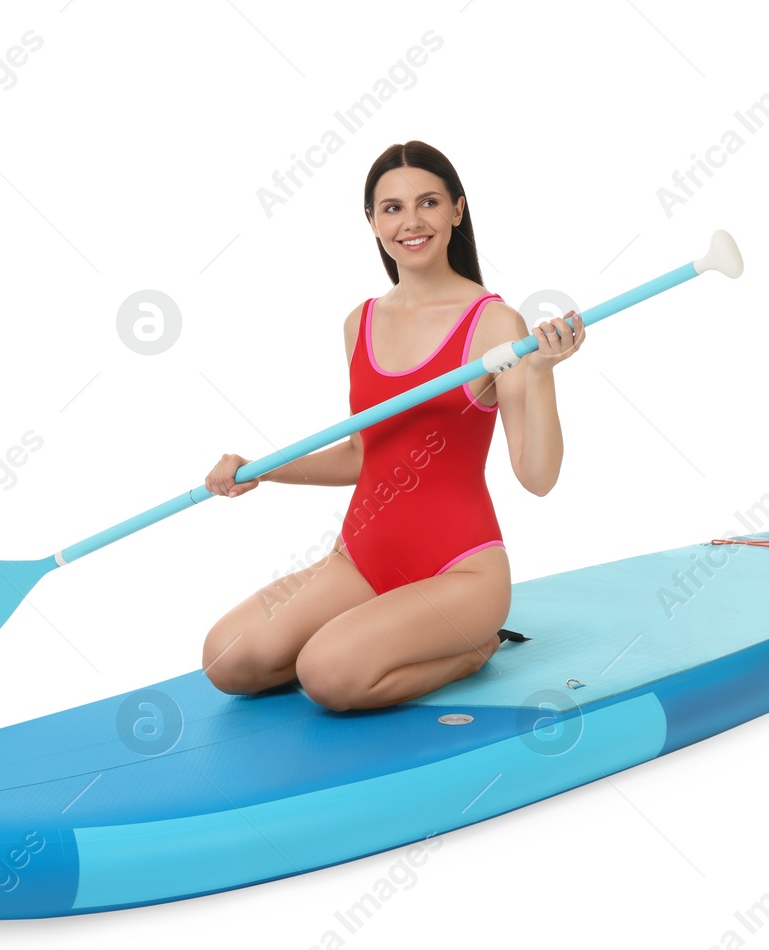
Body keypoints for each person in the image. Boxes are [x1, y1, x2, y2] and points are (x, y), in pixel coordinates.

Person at [201, 140, 584, 712]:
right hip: (360, 559)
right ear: (372, 221)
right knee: (226, 659)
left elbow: (538, 476)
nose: (412, 222)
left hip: (462, 570)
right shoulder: (361, 322)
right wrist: (261, 470)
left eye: (428, 202)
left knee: (327, 674)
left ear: (457, 210)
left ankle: (473, 648)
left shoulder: (495, 323)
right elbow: (362, 455)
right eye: (393, 207)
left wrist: (542, 372)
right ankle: (378, 632)